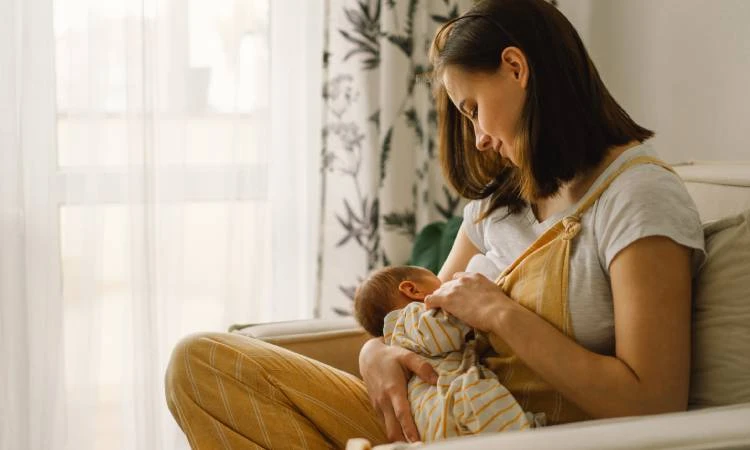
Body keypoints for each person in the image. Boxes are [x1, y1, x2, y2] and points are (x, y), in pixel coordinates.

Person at [164, 0, 706, 447]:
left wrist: (501, 313)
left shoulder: (637, 196)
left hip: (525, 434)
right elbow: (423, 321)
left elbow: (653, 399)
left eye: (472, 109)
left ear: (516, 69)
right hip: (440, 418)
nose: (478, 140)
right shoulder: (501, 204)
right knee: (199, 364)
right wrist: (374, 352)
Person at [353, 265, 542, 444]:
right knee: (498, 421)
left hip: (433, 417)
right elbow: (442, 333)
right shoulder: (411, 316)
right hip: (453, 398)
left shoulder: (400, 336)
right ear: (412, 290)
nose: (448, 288)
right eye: (440, 284)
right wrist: (472, 305)